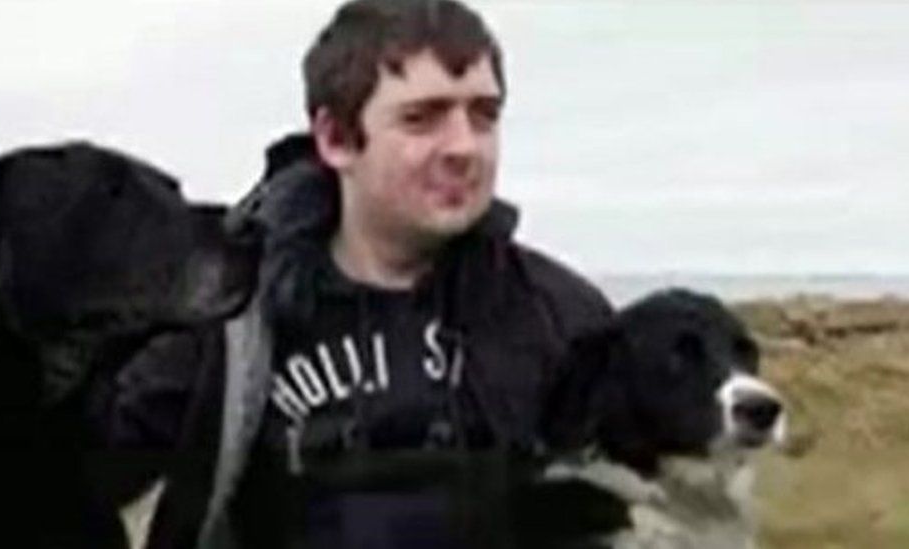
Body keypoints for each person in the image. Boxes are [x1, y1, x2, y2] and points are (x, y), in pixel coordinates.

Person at [102, 1, 617, 547]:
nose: (465, 147)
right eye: (423, 118)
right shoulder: (231, 320)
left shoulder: (560, 317)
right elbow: (85, 477)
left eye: (483, 115)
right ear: (336, 139)